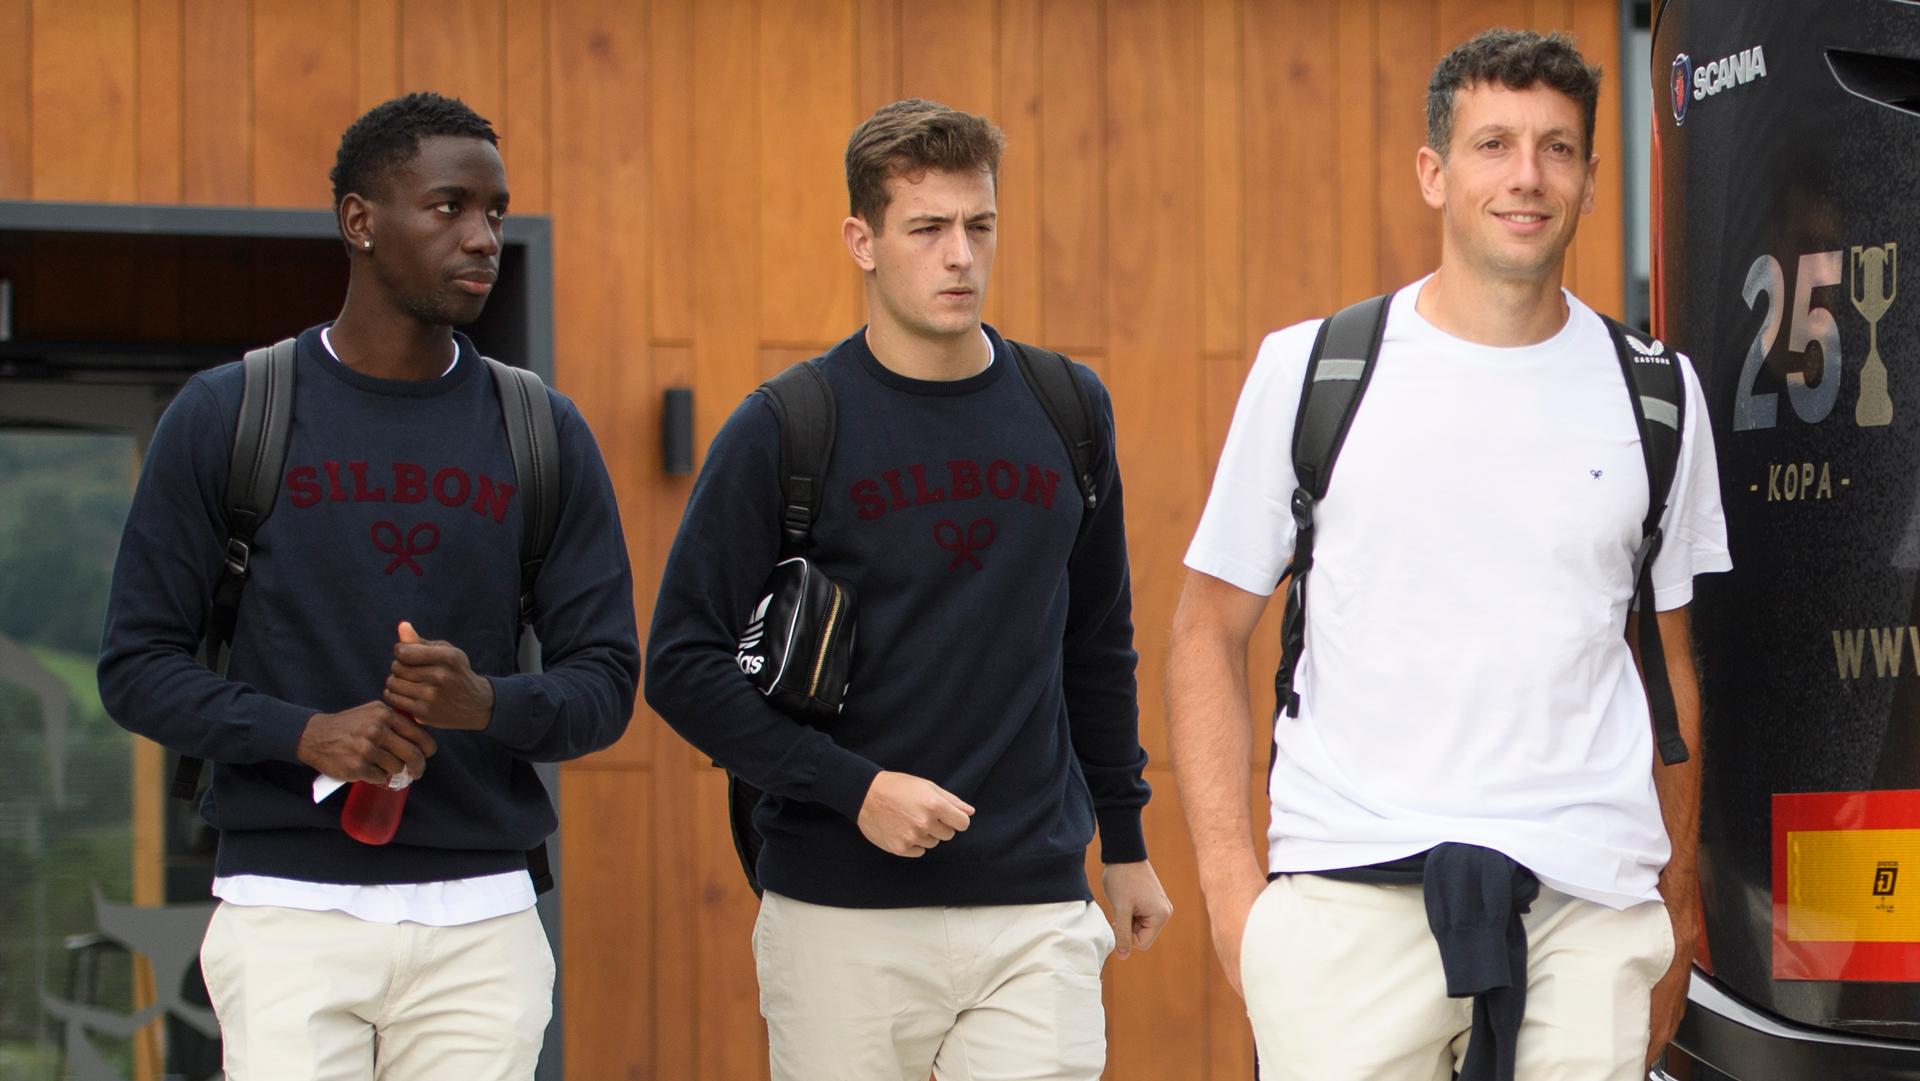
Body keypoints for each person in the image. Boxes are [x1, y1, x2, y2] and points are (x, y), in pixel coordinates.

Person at [1167, 29, 1730, 1081]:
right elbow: (1205, 629)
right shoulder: (1314, 370)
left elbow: (1670, 669)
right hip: (1349, 906)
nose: (1527, 177)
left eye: (1557, 149)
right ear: (1435, 171)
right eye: (1493, 145)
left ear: (1593, 179)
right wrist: (1232, 890)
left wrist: (1677, 902)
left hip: (1587, 903)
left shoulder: (1656, 393)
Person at [97, 92, 639, 1081]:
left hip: (484, 919)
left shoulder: (541, 431)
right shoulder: (229, 414)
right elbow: (135, 669)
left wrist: (489, 702)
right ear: (359, 221)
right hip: (287, 915)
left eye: (496, 213)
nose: (482, 238)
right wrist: (306, 733)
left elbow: (605, 681)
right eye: (448, 208)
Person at [645, 98, 1171, 1081]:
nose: (959, 256)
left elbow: (1097, 646)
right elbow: (678, 666)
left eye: (979, 225)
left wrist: (1127, 839)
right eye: (927, 229)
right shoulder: (787, 426)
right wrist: (855, 789)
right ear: (864, 240)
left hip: (1035, 904)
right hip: (840, 910)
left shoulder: (1067, 409)